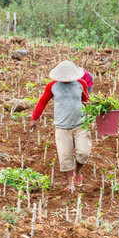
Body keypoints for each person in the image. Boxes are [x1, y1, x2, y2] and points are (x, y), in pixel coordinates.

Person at [29, 60, 91, 192]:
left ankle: (77, 171)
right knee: (65, 157)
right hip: (62, 127)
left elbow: (86, 101)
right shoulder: (52, 86)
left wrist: (98, 110)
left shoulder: (81, 84)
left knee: (84, 153)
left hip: (80, 124)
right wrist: (35, 118)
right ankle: (70, 184)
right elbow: (43, 101)